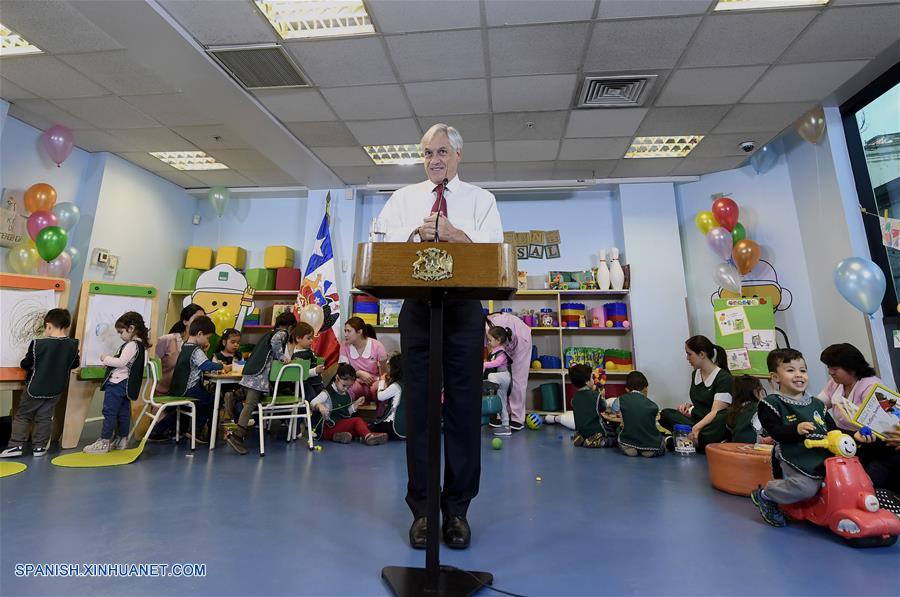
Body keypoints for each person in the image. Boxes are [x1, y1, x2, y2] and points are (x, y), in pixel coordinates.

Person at [377, 123, 503, 550]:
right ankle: (423, 511)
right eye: (428, 152)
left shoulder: (481, 200)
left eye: (443, 152)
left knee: (464, 413)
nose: (434, 159)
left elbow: (494, 256)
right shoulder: (402, 199)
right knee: (421, 411)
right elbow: (382, 247)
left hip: (464, 313)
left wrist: (456, 236)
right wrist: (414, 235)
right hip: (417, 310)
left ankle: (458, 511)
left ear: (458, 156)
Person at [751, 348, 836, 527]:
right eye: (790, 370)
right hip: (794, 455)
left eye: (803, 370)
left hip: (824, 455)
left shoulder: (817, 404)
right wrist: (795, 429)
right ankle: (767, 494)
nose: (799, 375)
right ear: (775, 377)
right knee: (806, 487)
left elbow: (833, 429)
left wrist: (851, 436)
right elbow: (774, 431)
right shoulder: (772, 403)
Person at [817, 343, 899, 492]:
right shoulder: (836, 384)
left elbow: (891, 419)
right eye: (829, 368)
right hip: (848, 440)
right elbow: (818, 404)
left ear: (851, 368)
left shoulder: (871, 385)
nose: (830, 372)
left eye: (834, 369)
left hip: (876, 445)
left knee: (862, 484)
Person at [1, 309, 79, 458]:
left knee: (23, 416)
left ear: (48, 326)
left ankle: (16, 445)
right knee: (44, 417)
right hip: (56, 389)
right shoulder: (72, 345)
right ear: (66, 325)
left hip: (35, 388)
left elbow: (26, 363)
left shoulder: (38, 344)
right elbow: (74, 364)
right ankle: (39, 447)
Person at [225, 311, 296, 455]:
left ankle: (235, 395)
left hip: (252, 369)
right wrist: (282, 357)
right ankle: (238, 436)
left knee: (251, 397)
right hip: (260, 373)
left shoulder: (269, 332)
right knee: (251, 403)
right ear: (290, 326)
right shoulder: (282, 333)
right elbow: (276, 342)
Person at [83, 312, 150, 454]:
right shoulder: (140, 346)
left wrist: (105, 358)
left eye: (121, 332)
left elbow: (121, 362)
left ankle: (104, 441)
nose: (120, 336)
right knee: (123, 413)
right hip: (125, 385)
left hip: (117, 383)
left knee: (110, 412)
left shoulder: (131, 345)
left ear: (131, 328)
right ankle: (121, 440)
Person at [659, 335, 733, 449]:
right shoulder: (695, 374)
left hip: (711, 424)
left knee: (721, 417)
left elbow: (714, 412)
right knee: (665, 414)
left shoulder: (723, 378)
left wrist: (697, 428)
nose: (687, 358)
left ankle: (684, 440)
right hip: (696, 420)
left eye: (689, 354)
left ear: (702, 354)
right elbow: (702, 402)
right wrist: (689, 406)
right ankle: (696, 441)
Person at [168, 316, 227, 442]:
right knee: (211, 400)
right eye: (207, 338)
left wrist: (203, 350)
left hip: (179, 387)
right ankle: (196, 431)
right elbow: (206, 365)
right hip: (189, 388)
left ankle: (157, 432)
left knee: (203, 400)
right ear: (200, 334)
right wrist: (222, 366)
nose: (207, 341)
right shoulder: (195, 350)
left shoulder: (186, 346)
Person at [310, 363, 388, 445]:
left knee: (362, 425)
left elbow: (346, 413)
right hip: (326, 428)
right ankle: (368, 437)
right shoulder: (326, 393)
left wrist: (355, 405)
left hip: (337, 427)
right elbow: (312, 403)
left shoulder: (347, 396)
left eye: (349, 387)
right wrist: (319, 406)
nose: (345, 389)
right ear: (337, 378)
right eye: (344, 385)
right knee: (357, 421)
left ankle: (338, 436)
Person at [484, 312, 532, 431]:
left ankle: (517, 419)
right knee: (499, 380)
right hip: (507, 344)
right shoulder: (482, 329)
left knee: (517, 379)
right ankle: (501, 415)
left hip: (521, 341)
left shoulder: (487, 328)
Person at [155, 304, 205, 396]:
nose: (201, 323)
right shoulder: (168, 340)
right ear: (185, 321)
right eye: (197, 319)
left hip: (185, 393)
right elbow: (152, 362)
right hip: (163, 393)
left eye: (203, 320)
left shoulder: (199, 345)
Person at [617, 371, 666, 457]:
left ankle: (629, 447)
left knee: (618, 433)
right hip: (650, 442)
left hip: (628, 440)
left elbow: (614, 411)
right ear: (645, 388)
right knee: (662, 440)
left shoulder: (621, 400)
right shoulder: (653, 406)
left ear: (627, 390)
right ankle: (648, 450)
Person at [339, 316, 386, 403]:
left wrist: (379, 384)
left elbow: (383, 374)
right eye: (345, 331)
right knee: (347, 385)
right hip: (355, 381)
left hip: (374, 383)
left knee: (379, 387)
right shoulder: (344, 346)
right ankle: (349, 412)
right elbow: (344, 371)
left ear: (359, 332)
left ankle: (380, 413)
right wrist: (358, 373)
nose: (345, 334)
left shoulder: (377, 346)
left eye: (348, 331)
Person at [483, 325, 513, 437]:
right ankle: (505, 426)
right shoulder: (495, 351)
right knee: (502, 402)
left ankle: (490, 385)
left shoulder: (501, 352)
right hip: (501, 378)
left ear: (498, 340)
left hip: (503, 377)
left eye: (490, 340)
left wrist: (485, 364)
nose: (489, 342)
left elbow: (496, 363)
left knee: (491, 375)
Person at [369, 353, 406, 441]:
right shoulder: (409, 383)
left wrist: (382, 381)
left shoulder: (397, 386)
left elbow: (380, 396)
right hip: (407, 429)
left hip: (393, 426)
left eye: (389, 367)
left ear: (396, 369)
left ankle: (376, 435)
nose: (388, 369)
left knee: (371, 426)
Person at [213, 328, 245, 424]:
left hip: (236, 387)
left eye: (238, 343)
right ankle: (228, 400)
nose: (236, 345)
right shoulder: (217, 356)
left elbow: (242, 368)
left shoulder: (239, 355)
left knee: (239, 408)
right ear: (224, 342)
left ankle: (238, 427)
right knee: (223, 397)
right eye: (233, 342)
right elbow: (215, 370)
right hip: (221, 388)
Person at [291, 322, 326, 402]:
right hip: (304, 384)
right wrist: (315, 371)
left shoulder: (308, 351)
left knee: (325, 397)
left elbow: (314, 362)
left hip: (316, 382)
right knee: (312, 398)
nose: (311, 341)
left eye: (312, 338)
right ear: (298, 338)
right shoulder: (297, 356)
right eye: (308, 338)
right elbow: (301, 373)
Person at [726, 375, 766, 444]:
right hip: (757, 449)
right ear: (756, 392)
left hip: (735, 449)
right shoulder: (760, 408)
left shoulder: (731, 411)